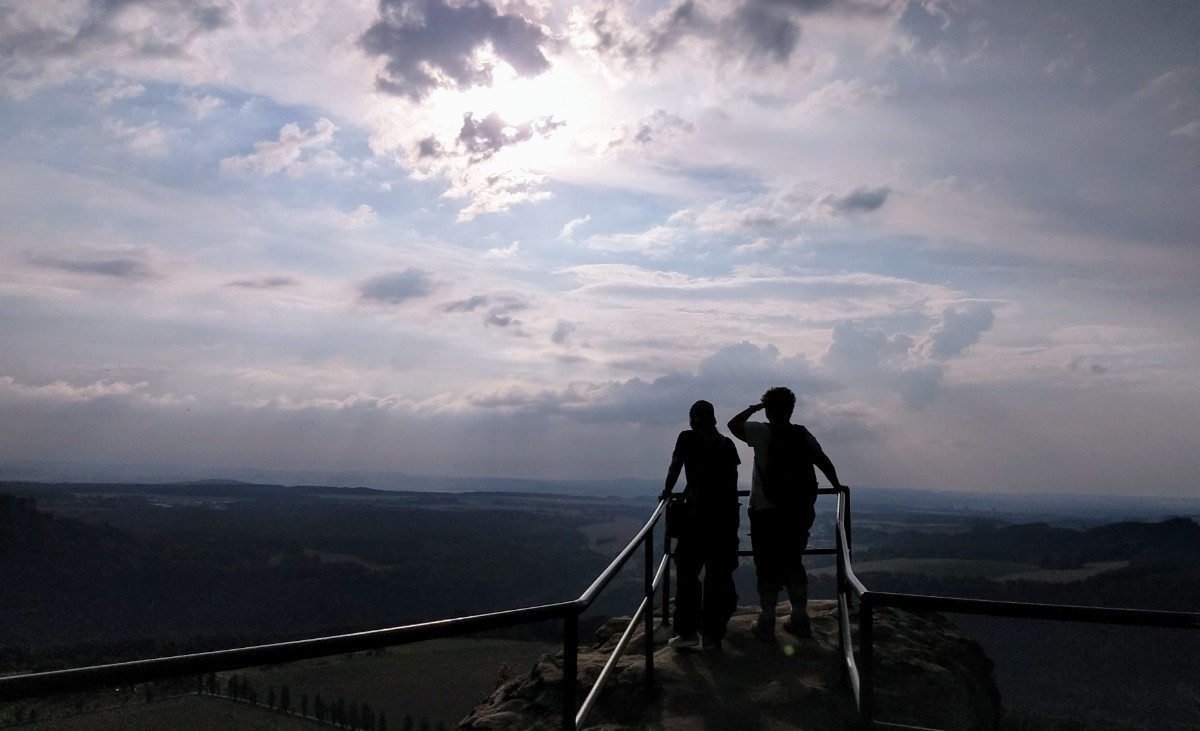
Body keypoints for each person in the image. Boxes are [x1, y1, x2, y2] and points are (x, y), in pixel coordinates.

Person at [728, 386, 845, 640]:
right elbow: (823, 461)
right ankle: (800, 618)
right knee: (793, 562)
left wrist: (755, 408)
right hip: (797, 510)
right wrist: (837, 486)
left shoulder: (761, 431)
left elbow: (733, 424)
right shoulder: (802, 434)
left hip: (765, 510)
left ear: (769, 409)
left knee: (766, 564)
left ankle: (767, 621)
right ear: (791, 408)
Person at [661, 400, 742, 651]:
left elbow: (675, 466)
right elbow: (731, 481)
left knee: (687, 576)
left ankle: (687, 632)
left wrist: (667, 491)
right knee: (719, 577)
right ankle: (713, 635)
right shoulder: (727, 444)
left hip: (697, 520)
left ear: (693, 418)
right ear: (713, 418)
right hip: (725, 520)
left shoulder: (687, 438)